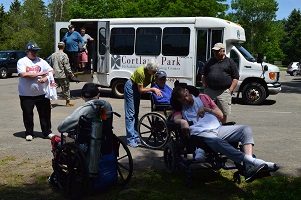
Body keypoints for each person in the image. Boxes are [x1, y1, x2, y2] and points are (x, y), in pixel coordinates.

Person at [171, 86, 279, 182]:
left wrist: (205, 109)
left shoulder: (203, 98)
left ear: (187, 90)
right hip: (202, 134)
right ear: (179, 101)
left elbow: (221, 115)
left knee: (245, 129)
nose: (187, 99)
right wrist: (183, 121)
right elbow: (176, 118)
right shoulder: (180, 108)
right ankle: (253, 162)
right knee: (216, 141)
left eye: (187, 96)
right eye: (183, 100)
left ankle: (248, 166)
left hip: (217, 128)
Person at [57, 83, 114, 155]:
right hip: (106, 140)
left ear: (82, 96)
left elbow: (62, 128)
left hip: (86, 145)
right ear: (98, 95)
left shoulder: (84, 109)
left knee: (58, 141)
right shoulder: (107, 105)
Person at [17, 42, 55, 141]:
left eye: (36, 51)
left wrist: (46, 78)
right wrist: (40, 74)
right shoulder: (22, 61)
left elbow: (51, 71)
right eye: (33, 51)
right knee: (28, 114)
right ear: (27, 51)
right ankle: (29, 133)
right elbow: (23, 74)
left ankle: (47, 132)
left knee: (45, 114)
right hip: (26, 94)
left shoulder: (41, 61)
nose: (35, 53)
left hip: (42, 94)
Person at [124, 59, 162, 147]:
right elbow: (141, 90)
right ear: (148, 68)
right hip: (131, 87)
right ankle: (130, 139)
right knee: (130, 113)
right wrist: (153, 89)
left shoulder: (152, 73)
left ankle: (136, 135)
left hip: (137, 89)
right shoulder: (140, 72)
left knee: (136, 113)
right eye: (153, 71)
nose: (154, 72)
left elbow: (154, 83)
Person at [201, 43, 239, 124]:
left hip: (224, 92)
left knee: (223, 113)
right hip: (210, 91)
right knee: (209, 111)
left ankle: (223, 127)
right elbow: (203, 74)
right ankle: (211, 126)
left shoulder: (230, 62)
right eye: (214, 51)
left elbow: (236, 77)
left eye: (218, 51)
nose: (216, 53)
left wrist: (230, 90)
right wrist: (205, 86)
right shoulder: (210, 61)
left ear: (223, 51)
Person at [49, 42, 75, 107]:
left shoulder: (53, 55)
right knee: (66, 88)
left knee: (53, 88)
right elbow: (66, 66)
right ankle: (67, 102)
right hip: (63, 75)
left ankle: (49, 102)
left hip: (55, 75)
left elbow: (50, 65)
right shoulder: (64, 55)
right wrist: (71, 73)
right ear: (63, 47)